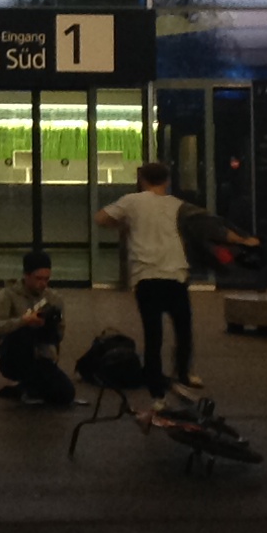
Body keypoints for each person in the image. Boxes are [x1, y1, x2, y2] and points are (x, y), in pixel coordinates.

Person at [97, 161, 222, 401]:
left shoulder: (132, 202)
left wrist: (123, 224)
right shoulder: (177, 205)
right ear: (167, 180)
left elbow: (101, 218)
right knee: (183, 329)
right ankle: (183, 373)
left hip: (146, 275)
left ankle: (156, 389)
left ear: (142, 180)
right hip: (175, 272)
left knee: (153, 335)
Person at [0, 250, 77, 407]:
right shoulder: (9, 295)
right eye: (38, 278)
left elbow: (59, 334)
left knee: (66, 394)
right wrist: (23, 321)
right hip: (14, 355)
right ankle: (26, 385)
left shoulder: (54, 298)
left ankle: (21, 389)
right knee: (23, 332)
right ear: (26, 276)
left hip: (42, 355)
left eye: (46, 279)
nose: (43, 284)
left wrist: (48, 326)